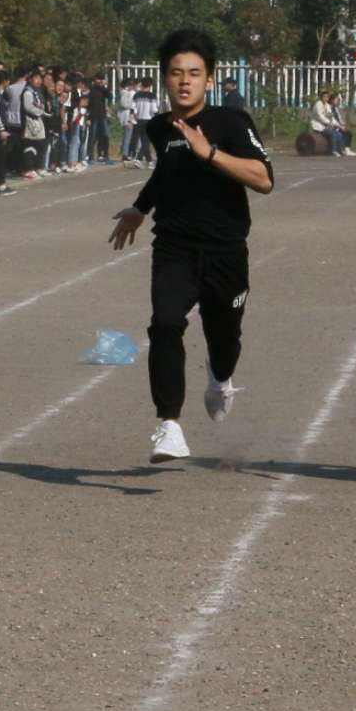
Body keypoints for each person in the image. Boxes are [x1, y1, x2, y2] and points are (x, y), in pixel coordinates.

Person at [112, 28, 273, 464]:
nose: (185, 81)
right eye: (177, 73)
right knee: (165, 323)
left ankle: (220, 378)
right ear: (165, 78)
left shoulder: (231, 122)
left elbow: (264, 179)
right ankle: (169, 426)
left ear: (210, 79)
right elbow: (168, 170)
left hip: (225, 250)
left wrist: (211, 153)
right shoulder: (158, 127)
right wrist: (140, 207)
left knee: (225, 341)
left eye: (195, 73)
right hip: (174, 245)